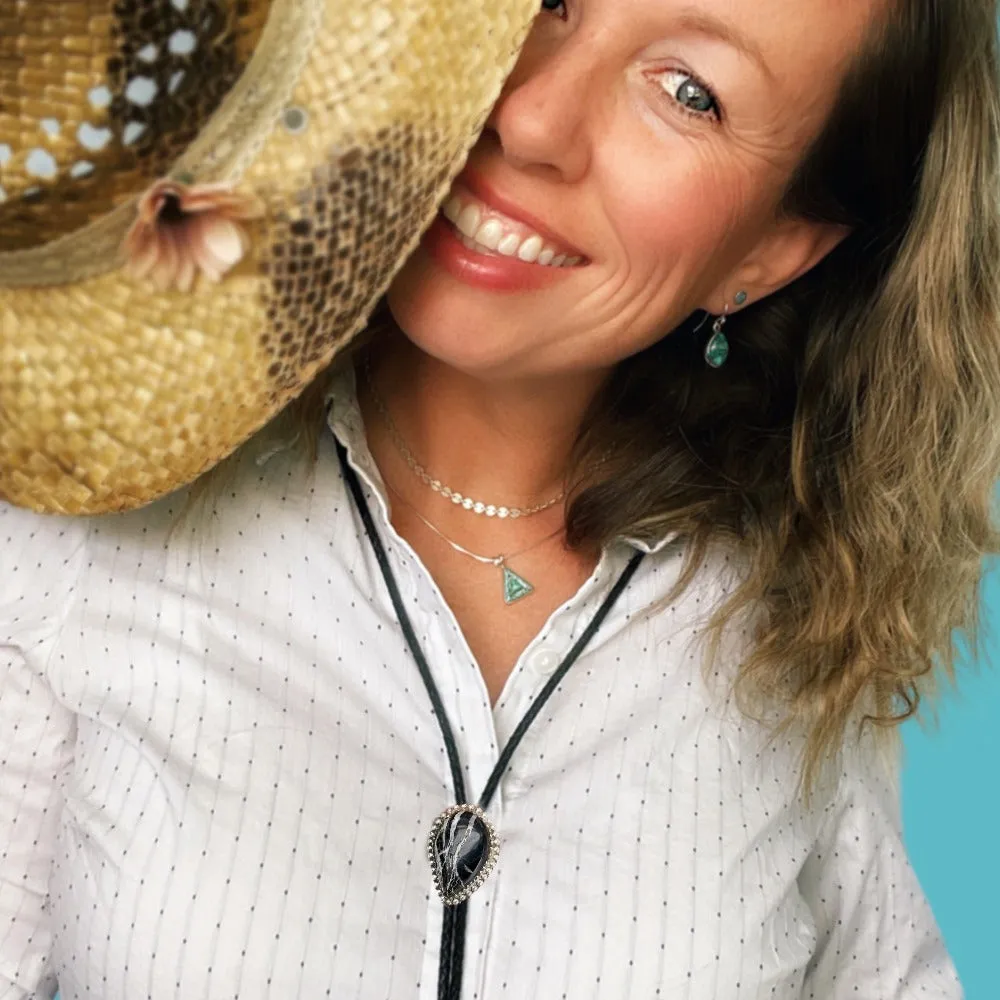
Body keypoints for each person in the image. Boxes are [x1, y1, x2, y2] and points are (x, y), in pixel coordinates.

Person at [2, 0, 996, 996]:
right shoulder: (87, 526)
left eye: (689, 92)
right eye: (549, 1)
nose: (530, 118)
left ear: (769, 253)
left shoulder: (799, 644)